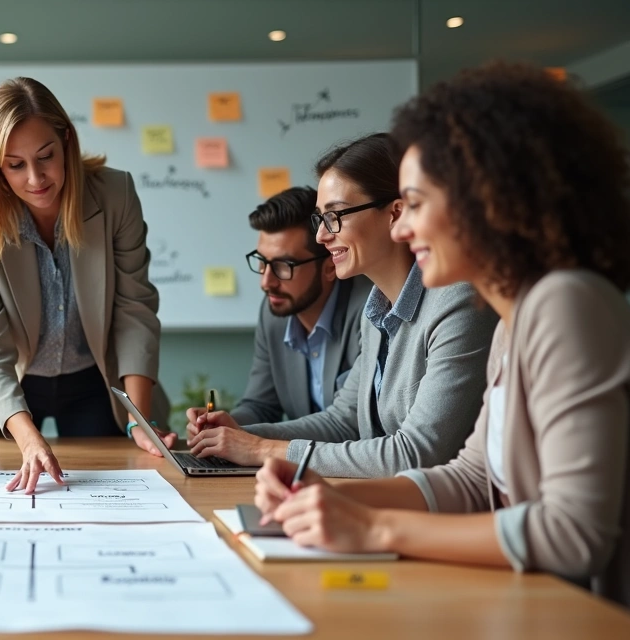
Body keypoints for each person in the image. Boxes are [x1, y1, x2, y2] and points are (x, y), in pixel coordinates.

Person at [254, 62, 630, 607]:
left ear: (490, 201)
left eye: (418, 205)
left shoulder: (566, 304)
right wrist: (324, 490)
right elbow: (473, 478)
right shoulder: (513, 319)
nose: (404, 228)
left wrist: (376, 528)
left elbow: (573, 534)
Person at [186, 133, 497, 478]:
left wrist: (260, 450)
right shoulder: (376, 310)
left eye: (335, 216)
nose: (321, 236)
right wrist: (239, 437)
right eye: (321, 219)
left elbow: (416, 453)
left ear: (395, 213)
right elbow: (344, 421)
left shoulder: (458, 303)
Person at [0, 77, 171, 493]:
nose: (35, 178)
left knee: (115, 490)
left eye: (46, 156)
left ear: (66, 140)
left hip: (95, 380)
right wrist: (29, 437)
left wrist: (139, 422)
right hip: (12, 386)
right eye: (15, 165)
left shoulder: (115, 195)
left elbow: (134, 311)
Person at [233, 186, 371, 425]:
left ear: (330, 267)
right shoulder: (274, 312)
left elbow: (350, 425)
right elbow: (260, 406)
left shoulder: (368, 310)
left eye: (284, 266)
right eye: (262, 262)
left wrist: (246, 440)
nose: (267, 283)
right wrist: (227, 425)